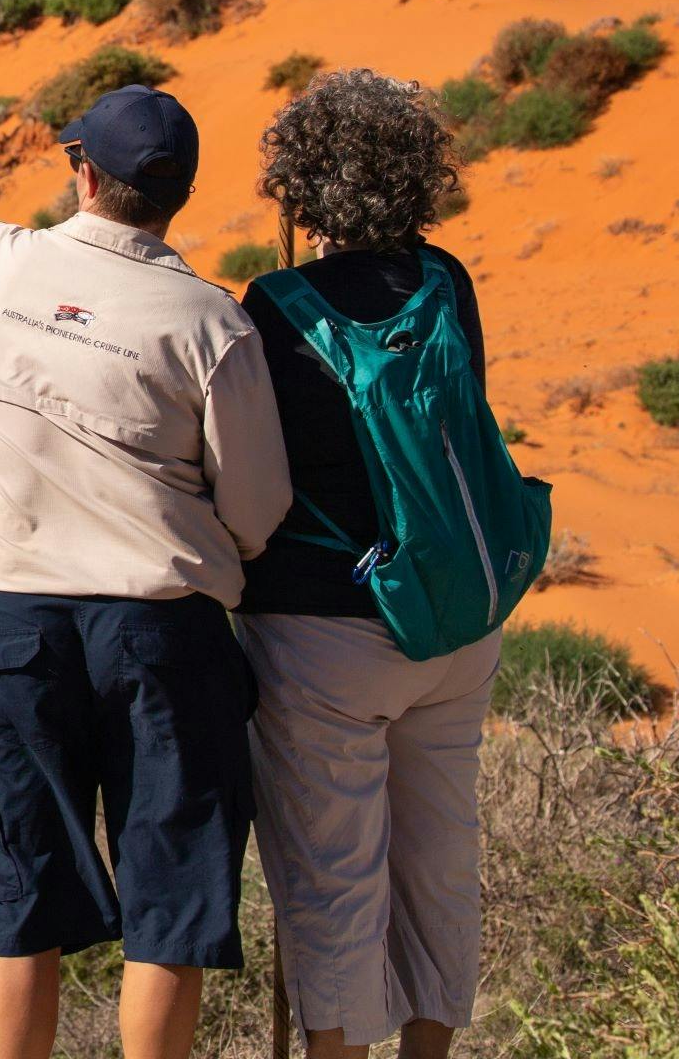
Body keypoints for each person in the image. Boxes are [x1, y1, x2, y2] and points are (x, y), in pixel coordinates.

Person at [0, 84, 292, 1059]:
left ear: (82, 173)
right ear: (178, 194)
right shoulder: (212, 323)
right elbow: (259, 511)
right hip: (163, 631)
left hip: (9, 625)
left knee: (24, 895)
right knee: (171, 900)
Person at [238, 71, 497, 1059]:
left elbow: (253, 475)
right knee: (439, 861)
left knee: (333, 877)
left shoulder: (273, 305)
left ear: (299, 188)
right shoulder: (446, 283)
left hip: (321, 631)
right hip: (452, 621)